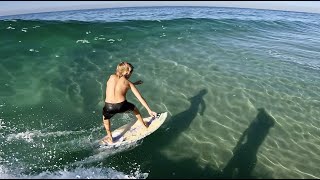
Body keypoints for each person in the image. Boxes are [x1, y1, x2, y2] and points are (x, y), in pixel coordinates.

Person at [101, 62, 157, 144]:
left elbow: (117, 85)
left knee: (105, 118)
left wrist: (133, 84)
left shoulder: (111, 77)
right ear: (127, 72)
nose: (131, 74)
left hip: (108, 107)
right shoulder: (128, 83)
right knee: (134, 108)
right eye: (131, 72)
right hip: (121, 105)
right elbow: (140, 98)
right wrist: (149, 110)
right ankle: (144, 126)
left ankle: (110, 137)